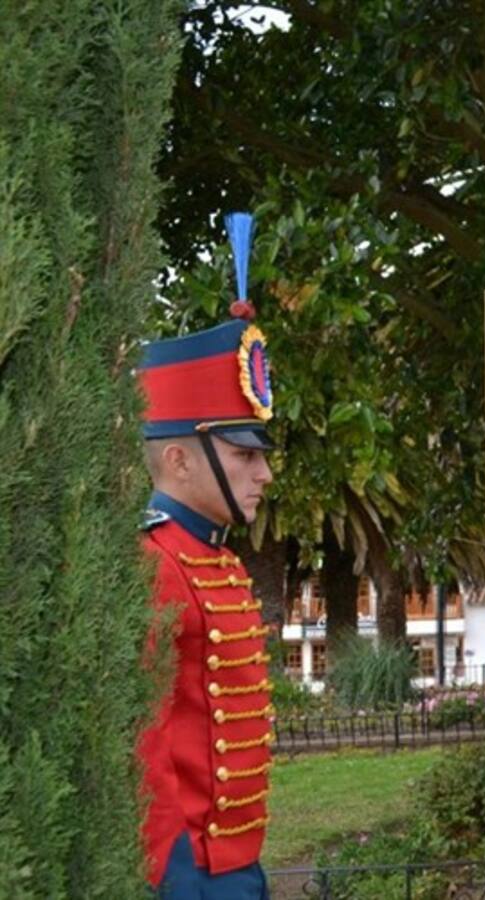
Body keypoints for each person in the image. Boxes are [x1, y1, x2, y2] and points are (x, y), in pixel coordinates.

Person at [137, 212, 275, 897]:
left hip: (235, 864)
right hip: (189, 874)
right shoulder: (157, 563)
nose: (263, 474)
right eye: (243, 455)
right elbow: (144, 741)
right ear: (177, 461)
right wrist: (174, 876)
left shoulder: (214, 557)